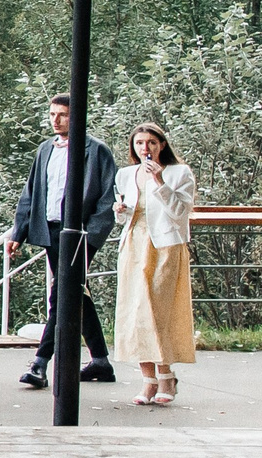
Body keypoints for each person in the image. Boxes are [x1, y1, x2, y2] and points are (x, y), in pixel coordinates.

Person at [10, 93, 119, 389]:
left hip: (79, 235)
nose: (56, 120)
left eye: (63, 115)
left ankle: (40, 363)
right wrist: (17, 233)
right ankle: (100, 361)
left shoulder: (96, 151)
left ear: (77, 116)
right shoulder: (46, 149)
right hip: (50, 230)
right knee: (75, 293)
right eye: (52, 114)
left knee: (62, 294)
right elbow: (31, 192)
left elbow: (108, 197)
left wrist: (91, 236)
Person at [113, 122, 196, 406]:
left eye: (151, 143)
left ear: (162, 145)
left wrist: (159, 181)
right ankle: (148, 380)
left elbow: (178, 212)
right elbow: (126, 216)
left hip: (165, 246)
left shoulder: (178, 173)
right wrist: (120, 211)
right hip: (135, 245)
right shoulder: (125, 174)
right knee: (135, 313)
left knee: (158, 312)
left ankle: (166, 377)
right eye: (139, 143)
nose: (145, 149)